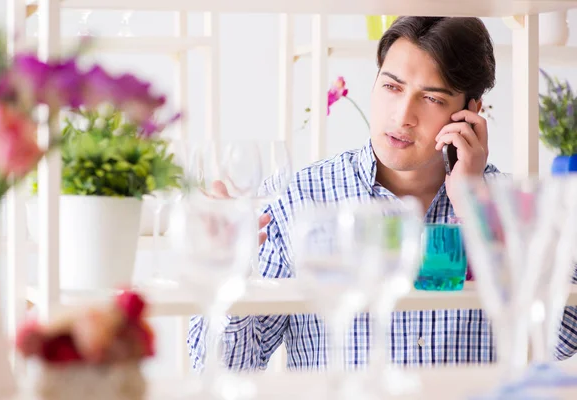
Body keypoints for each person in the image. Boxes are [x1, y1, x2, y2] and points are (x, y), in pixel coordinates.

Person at [187, 16, 577, 370]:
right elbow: (227, 368)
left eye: (432, 98)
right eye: (392, 87)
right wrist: (225, 277)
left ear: (471, 112)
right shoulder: (300, 198)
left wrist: (474, 208)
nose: (402, 115)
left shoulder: (509, 203)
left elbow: (563, 340)